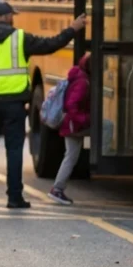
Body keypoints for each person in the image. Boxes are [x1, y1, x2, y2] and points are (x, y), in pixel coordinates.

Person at [0, 2, 86, 209]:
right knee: (14, 149)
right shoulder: (20, 39)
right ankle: (14, 197)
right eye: (13, 15)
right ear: (8, 16)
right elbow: (51, 44)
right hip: (14, 103)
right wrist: (73, 29)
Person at [50, 53, 92, 206]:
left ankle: (57, 188)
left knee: (70, 157)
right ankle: (57, 189)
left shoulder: (79, 76)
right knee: (106, 127)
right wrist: (86, 119)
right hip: (74, 126)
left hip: (72, 125)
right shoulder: (83, 82)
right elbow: (71, 105)